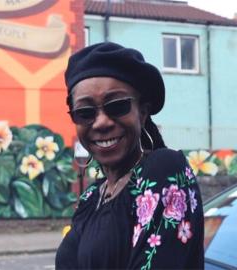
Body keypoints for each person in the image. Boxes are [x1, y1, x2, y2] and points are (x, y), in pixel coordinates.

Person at [55, 42, 204, 269]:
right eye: (85, 112)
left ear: (142, 113)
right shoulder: (92, 196)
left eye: (117, 106)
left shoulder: (163, 172)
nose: (101, 122)